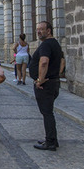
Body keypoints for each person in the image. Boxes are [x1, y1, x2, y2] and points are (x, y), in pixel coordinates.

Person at [30, 21, 64, 151]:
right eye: (37, 29)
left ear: (48, 31)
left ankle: (50, 142)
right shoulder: (54, 43)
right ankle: (52, 139)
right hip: (53, 82)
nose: (38, 32)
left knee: (47, 113)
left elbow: (44, 62)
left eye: (41, 29)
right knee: (48, 112)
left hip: (46, 85)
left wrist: (40, 80)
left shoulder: (46, 45)